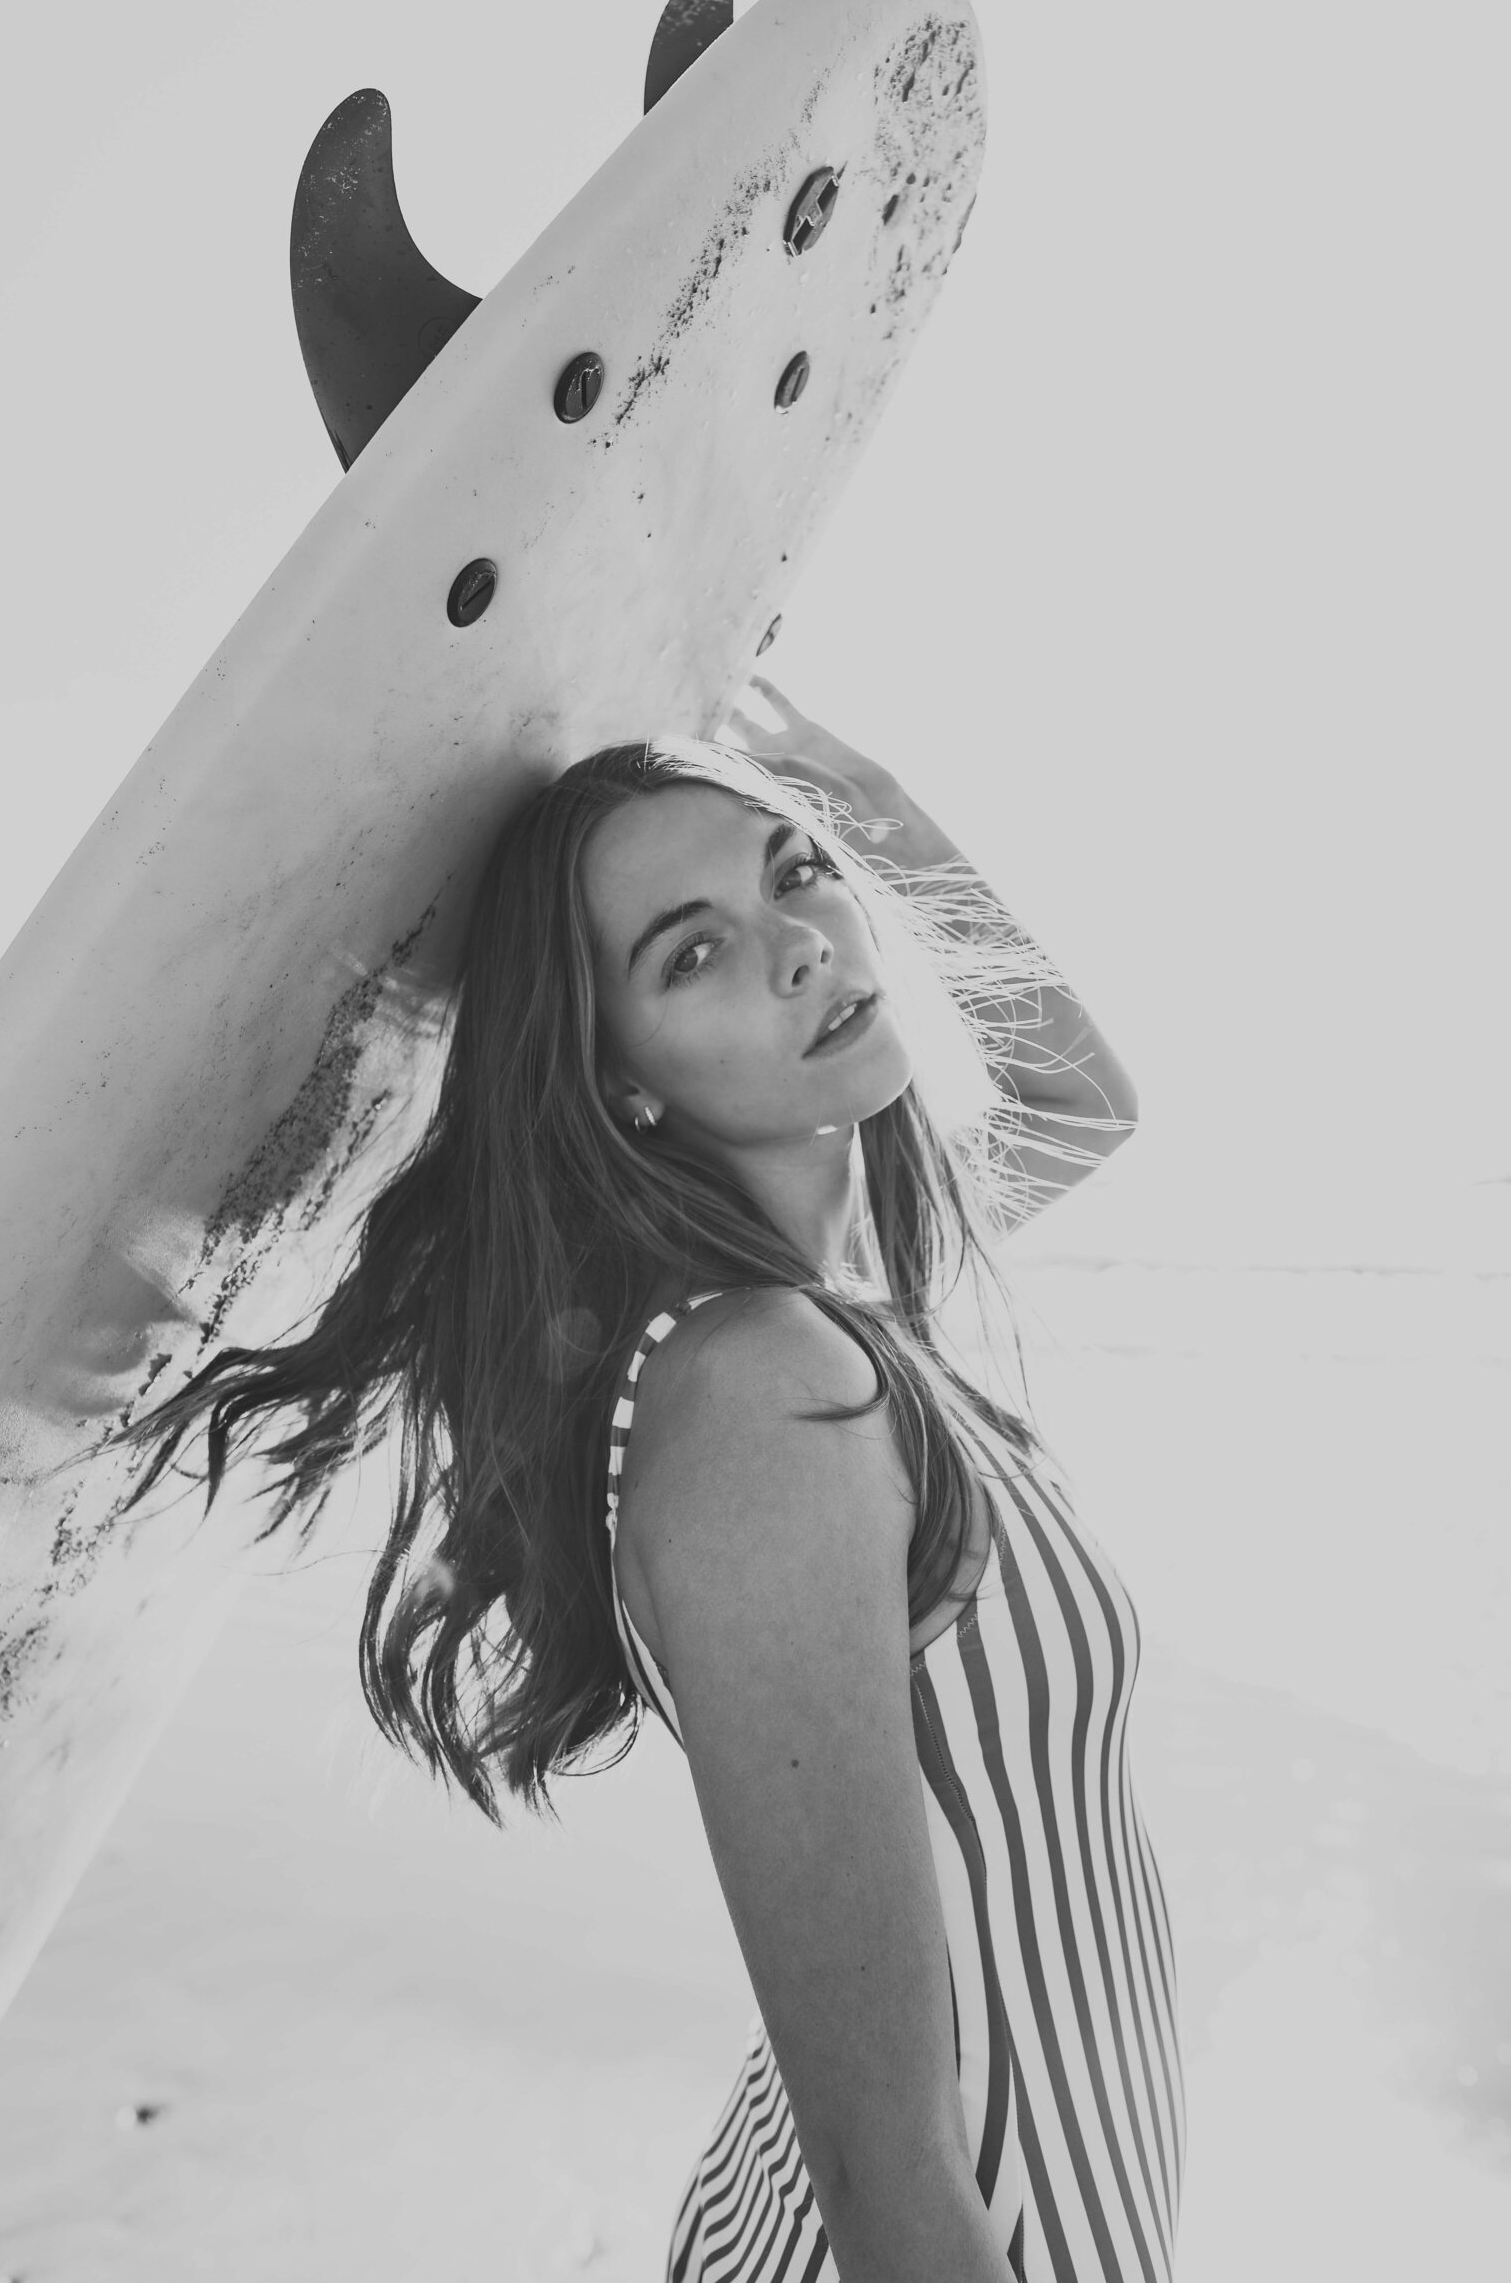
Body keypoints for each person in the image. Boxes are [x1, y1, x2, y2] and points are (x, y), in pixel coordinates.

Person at [117, 675, 1183, 2283]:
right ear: (620, 1078)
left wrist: (856, 792)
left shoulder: (849, 1315)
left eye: (793, 873)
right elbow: (883, 2164)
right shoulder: (763, 1392)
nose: (798, 943)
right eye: (691, 954)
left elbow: (1082, 1107)